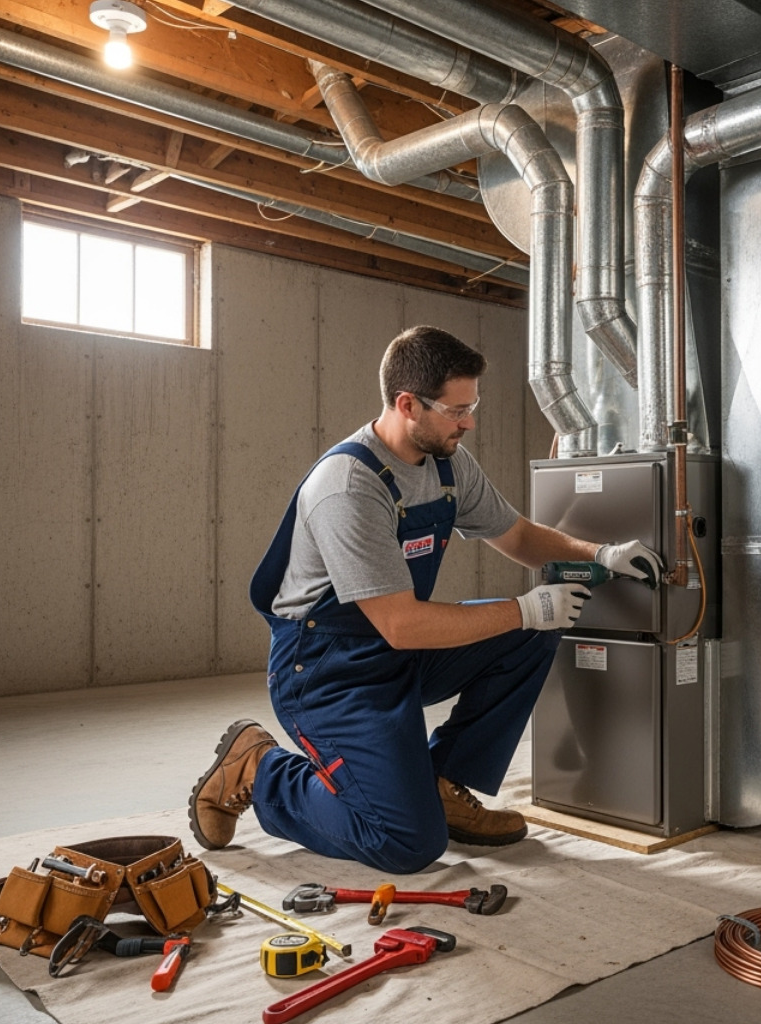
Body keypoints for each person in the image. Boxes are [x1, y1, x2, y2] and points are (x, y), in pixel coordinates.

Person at [188, 325, 663, 874]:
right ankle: (259, 770)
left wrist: (600, 554)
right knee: (405, 842)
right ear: (407, 404)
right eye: (456, 409)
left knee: (529, 633)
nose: (469, 421)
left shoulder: (447, 464)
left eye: (472, 405)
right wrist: (528, 607)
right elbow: (401, 624)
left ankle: (439, 782)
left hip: (394, 653)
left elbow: (518, 536)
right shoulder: (350, 487)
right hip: (326, 673)